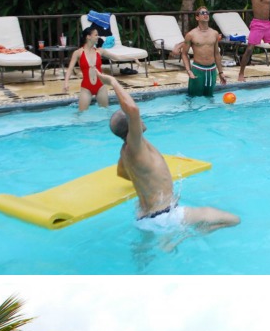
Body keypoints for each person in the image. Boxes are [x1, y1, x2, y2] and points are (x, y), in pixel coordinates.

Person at [98, 72, 240, 231]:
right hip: (166, 216)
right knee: (233, 219)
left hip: (144, 219)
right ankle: (194, 233)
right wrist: (112, 81)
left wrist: (149, 184)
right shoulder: (135, 145)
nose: (141, 119)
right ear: (131, 126)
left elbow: (123, 173)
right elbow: (132, 109)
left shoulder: (126, 152)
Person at [63, 26, 112, 111]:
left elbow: (116, 57)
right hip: (86, 87)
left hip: (101, 86)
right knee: (81, 114)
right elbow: (70, 69)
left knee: (106, 112)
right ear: (88, 36)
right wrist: (66, 83)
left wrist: (134, 58)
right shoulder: (78, 53)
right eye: (96, 35)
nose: (98, 37)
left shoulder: (100, 51)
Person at [182, 6, 228, 97]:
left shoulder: (214, 33)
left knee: (210, 97)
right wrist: (189, 71)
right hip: (198, 70)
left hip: (212, 70)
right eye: (202, 13)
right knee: (193, 98)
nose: (205, 15)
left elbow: (216, 54)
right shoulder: (191, 35)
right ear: (197, 17)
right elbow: (184, 54)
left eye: (207, 13)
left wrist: (221, 72)